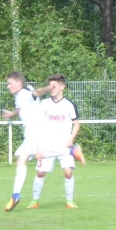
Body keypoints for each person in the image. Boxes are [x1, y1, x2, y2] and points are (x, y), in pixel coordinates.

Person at [1, 72, 62, 211]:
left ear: (19, 83)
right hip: (34, 131)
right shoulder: (23, 92)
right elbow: (21, 107)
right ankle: (15, 195)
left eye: (10, 83)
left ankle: (70, 150)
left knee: (23, 160)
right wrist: (11, 114)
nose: (8, 86)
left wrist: (47, 88)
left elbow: (36, 93)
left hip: (35, 131)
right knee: (28, 159)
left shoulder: (24, 93)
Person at [29, 74, 83, 209]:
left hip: (64, 146)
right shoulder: (44, 104)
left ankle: (69, 201)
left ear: (62, 87)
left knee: (68, 172)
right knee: (40, 173)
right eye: (50, 85)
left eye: (54, 85)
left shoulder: (69, 105)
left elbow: (76, 124)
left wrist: (71, 139)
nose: (51, 88)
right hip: (47, 146)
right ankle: (35, 201)